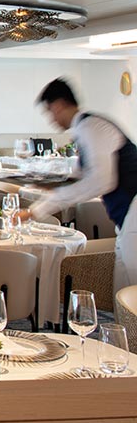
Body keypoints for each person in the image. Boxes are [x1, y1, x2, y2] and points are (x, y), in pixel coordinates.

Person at [22, 78, 137, 292]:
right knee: (122, 291)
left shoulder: (90, 127)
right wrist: (45, 188)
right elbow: (78, 177)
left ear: (59, 105)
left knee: (132, 291)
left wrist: (36, 210)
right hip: (126, 217)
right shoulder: (86, 127)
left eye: (50, 112)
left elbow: (101, 181)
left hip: (133, 211)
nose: (52, 119)